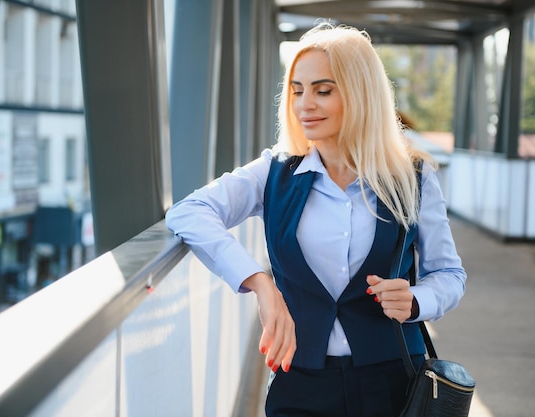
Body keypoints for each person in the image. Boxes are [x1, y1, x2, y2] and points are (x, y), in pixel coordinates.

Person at [165, 22, 466, 417]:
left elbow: (449, 275)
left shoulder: (414, 177)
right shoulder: (273, 173)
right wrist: (261, 284)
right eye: (297, 90)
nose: (305, 104)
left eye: (323, 91)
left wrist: (415, 300)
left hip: (393, 379)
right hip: (300, 379)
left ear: (361, 94)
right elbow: (188, 211)